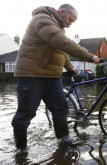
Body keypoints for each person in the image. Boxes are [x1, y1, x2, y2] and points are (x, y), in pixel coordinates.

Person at [11, 4, 99, 150]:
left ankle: (64, 140)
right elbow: (61, 42)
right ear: (62, 12)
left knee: (61, 108)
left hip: (52, 77)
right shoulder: (42, 20)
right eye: (70, 19)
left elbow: (61, 50)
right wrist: (89, 56)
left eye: (73, 21)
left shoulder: (58, 27)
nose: (71, 23)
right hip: (31, 75)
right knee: (27, 112)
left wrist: (70, 68)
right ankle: (21, 150)